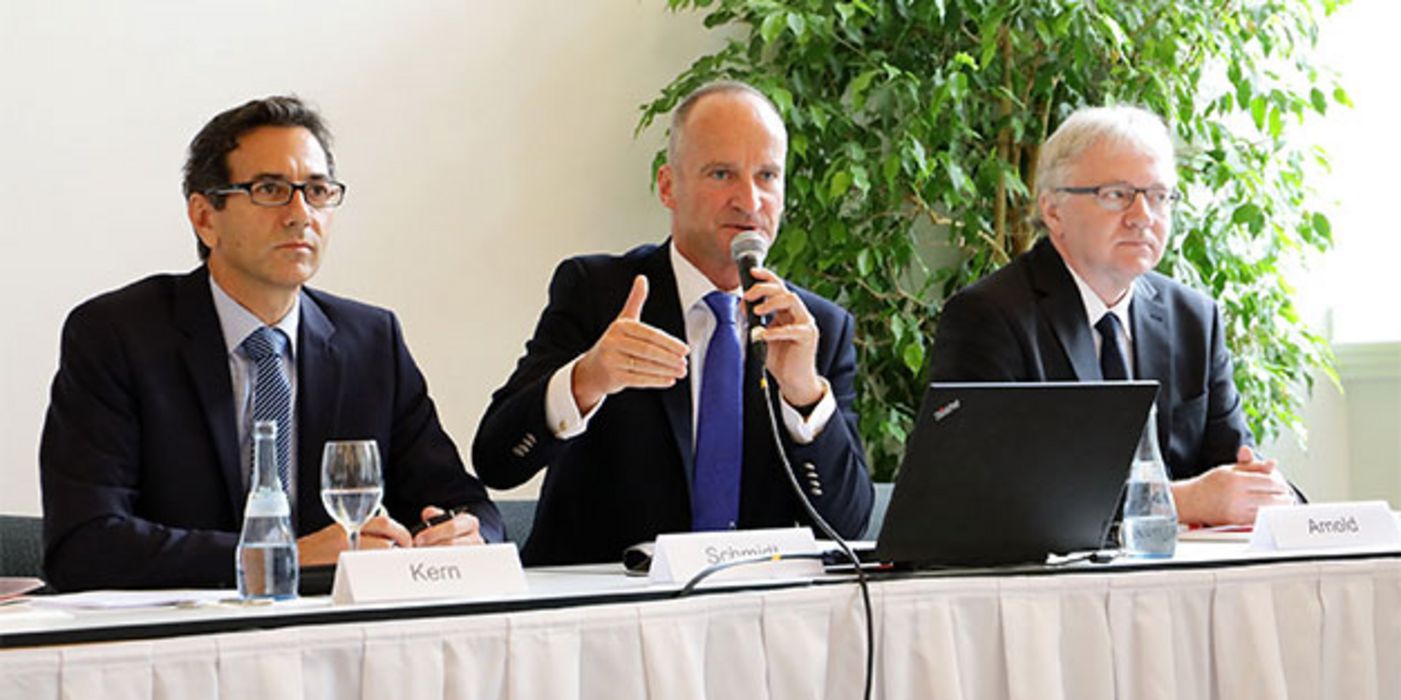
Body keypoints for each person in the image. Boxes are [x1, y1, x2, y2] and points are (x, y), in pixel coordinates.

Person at [40, 96, 502, 591]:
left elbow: (468, 506)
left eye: (318, 191)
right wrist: (283, 557)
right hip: (180, 645)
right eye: (270, 189)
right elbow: (84, 544)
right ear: (204, 217)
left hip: (342, 640)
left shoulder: (371, 342)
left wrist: (463, 537)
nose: (301, 214)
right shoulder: (117, 334)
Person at [472, 81, 873, 565]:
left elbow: (848, 525)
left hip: (751, 615)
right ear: (668, 186)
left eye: (767, 175)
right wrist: (586, 379)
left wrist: (804, 395)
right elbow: (496, 461)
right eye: (722, 173)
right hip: (607, 611)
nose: (749, 201)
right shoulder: (599, 291)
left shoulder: (814, 328)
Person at [928, 104, 1297, 526]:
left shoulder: (1194, 319)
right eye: (1117, 195)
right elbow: (991, 492)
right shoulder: (989, 317)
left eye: (1159, 197)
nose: (1143, 217)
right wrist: (1176, 503)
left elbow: (1235, 465)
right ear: (1053, 211)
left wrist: (1267, 494)